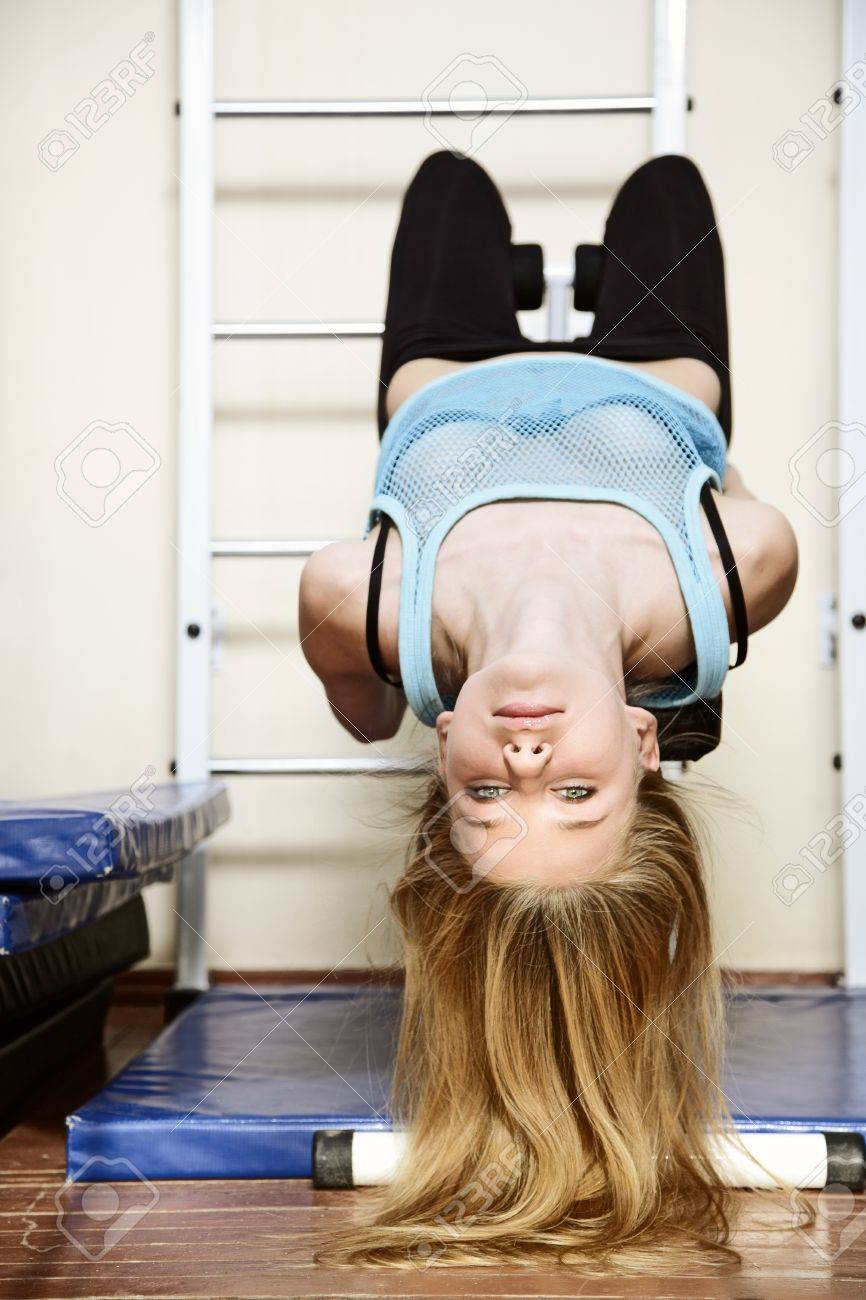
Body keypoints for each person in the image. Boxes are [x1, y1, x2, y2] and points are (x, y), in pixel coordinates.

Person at [301, 151, 798, 1269]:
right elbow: (737, 497)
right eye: (574, 792)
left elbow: (363, 718)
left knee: (448, 183)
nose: (525, 756)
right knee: (666, 187)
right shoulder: (733, 573)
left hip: (446, 380)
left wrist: (388, 659)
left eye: (487, 794)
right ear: (641, 741)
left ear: (445, 746)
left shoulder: (358, 597)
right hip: (654, 375)